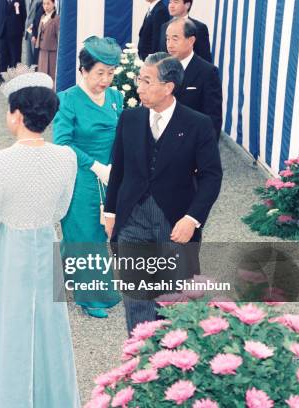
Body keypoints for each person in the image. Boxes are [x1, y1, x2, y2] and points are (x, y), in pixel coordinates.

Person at [0, 65, 80, 408]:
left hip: (11, 250)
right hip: (45, 244)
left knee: (6, 327)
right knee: (48, 329)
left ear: (16, 114)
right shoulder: (66, 157)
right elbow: (60, 210)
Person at [104, 53, 222, 334]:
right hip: (132, 218)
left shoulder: (198, 124)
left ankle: (171, 363)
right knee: (136, 298)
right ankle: (139, 362)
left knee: (173, 298)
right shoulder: (129, 119)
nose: (139, 87)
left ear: (168, 87)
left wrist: (192, 218)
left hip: (174, 222)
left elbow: (211, 176)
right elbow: (118, 168)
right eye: (139, 79)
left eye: (146, 81)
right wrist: (110, 212)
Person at [53, 36, 123, 318]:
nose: (105, 80)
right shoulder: (67, 100)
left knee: (95, 232)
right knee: (86, 234)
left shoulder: (116, 98)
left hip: (112, 176)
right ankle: (92, 296)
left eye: (110, 73)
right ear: (83, 70)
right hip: (80, 176)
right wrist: (95, 166)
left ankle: (58, 276)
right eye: (99, 74)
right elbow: (62, 141)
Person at [166, 18, 223, 140]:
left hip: (191, 142)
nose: (169, 45)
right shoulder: (162, 68)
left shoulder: (207, 72)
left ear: (191, 40)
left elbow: (213, 118)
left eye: (175, 39)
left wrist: (207, 151)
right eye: (167, 39)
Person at [0, 0, 27, 81]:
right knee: (2, 56)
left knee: (15, 56)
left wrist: (21, 29)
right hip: (3, 32)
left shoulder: (21, 1)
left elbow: (24, 15)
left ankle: (15, 77)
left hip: (15, 33)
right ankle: (2, 76)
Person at [35, 0, 59, 84]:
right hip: (42, 49)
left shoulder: (56, 18)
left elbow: (58, 36)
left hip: (52, 51)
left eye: (48, 3)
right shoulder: (43, 16)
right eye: (44, 4)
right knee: (42, 74)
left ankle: (51, 93)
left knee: (51, 74)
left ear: (53, 4)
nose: (46, 6)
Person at [24, 0, 43, 65]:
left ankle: (36, 73)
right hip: (27, 32)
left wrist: (35, 34)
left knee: (35, 58)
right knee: (28, 58)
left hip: (35, 32)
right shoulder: (26, 1)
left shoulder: (39, 1)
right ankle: (29, 73)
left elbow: (40, 17)